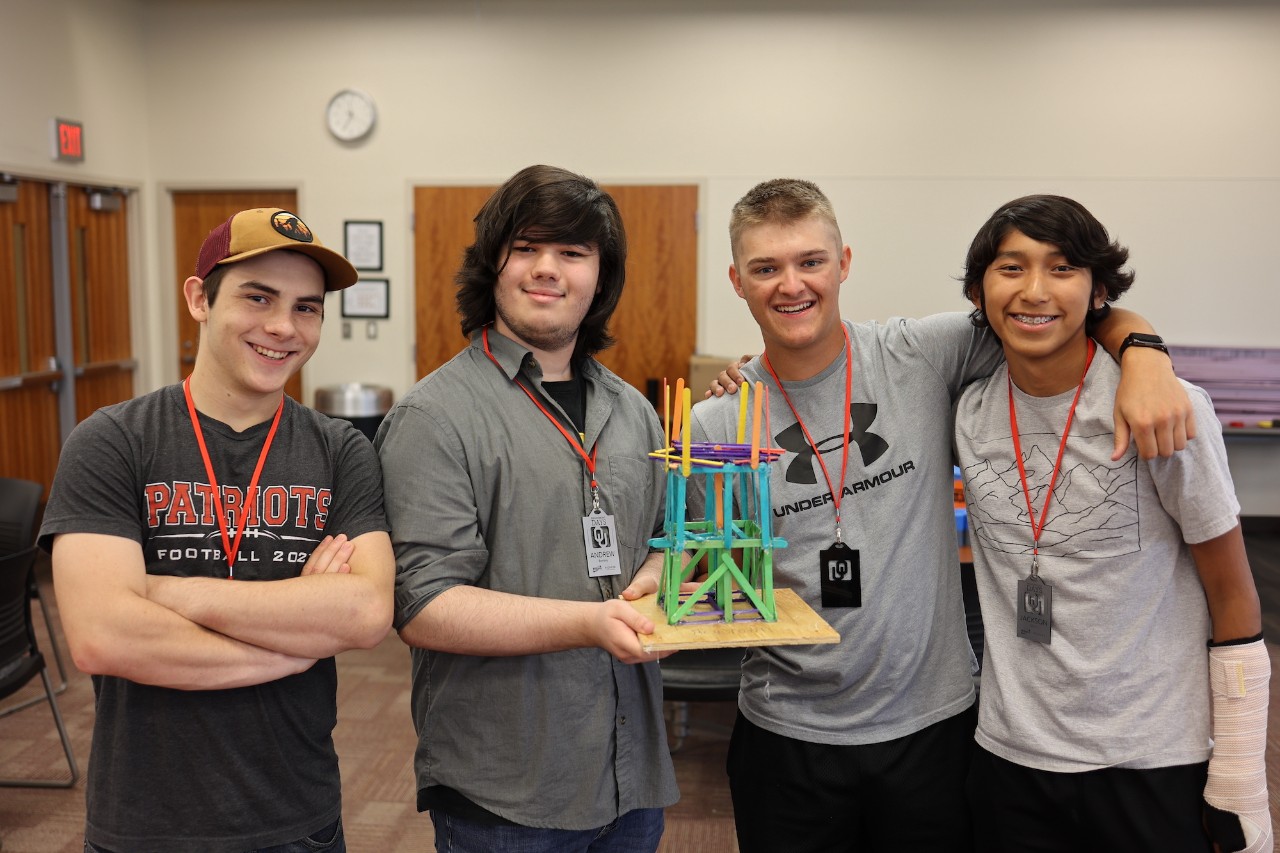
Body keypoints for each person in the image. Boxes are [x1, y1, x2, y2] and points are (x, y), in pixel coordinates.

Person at [691, 178, 1196, 852]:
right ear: (737, 279)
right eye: (766, 267)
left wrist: (1144, 352)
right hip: (787, 739)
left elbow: (1050, 310)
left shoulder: (920, 354)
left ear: (843, 264)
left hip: (934, 730)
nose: (791, 284)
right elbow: (714, 573)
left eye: (811, 261)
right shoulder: (715, 425)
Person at [39, 208, 395, 853]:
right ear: (199, 298)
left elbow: (366, 612)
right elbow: (102, 636)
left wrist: (165, 592)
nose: (284, 327)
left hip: (298, 816)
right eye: (258, 298)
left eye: (307, 308)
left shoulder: (342, 450)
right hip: (144, 821)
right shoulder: (113, 442)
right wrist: (299, 641)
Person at [374, 164, 678, 853]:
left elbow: (668, 538)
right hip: (505, 793)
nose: (548, 269)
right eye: (527, 248)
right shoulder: (435, 417)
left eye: (572, 253)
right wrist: (591, 622)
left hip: (632, 779)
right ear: (494, 263)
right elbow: (424, 606)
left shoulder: (633, 411)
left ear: (600, 276)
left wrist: (662, 567)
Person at [954, 194, 1271, 853]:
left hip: (1151, 759)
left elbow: (1235, 598)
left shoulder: (1166, 411)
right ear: (980, 291)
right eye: (1010, 268)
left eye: (1063, 268)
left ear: (1098, 291)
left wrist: (1241, 776)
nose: (1034, 290)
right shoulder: (967, 409)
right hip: (1010, 755)